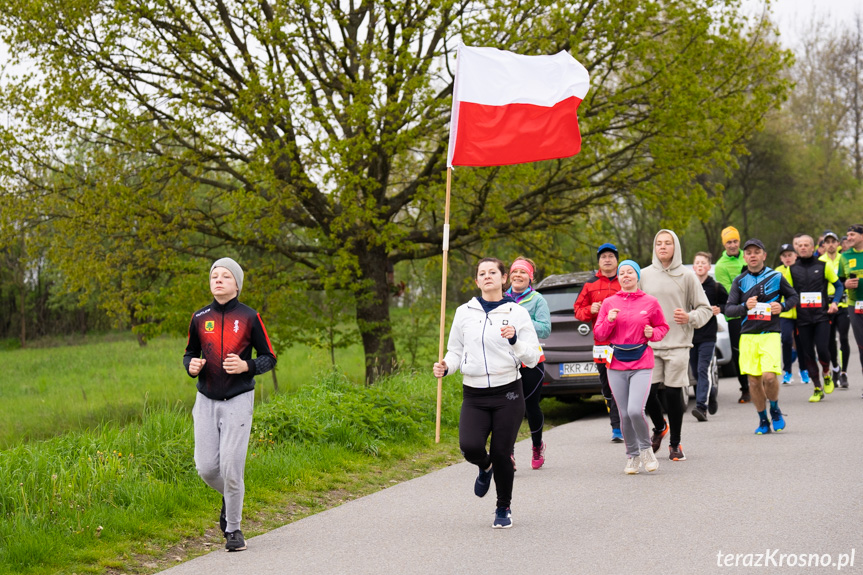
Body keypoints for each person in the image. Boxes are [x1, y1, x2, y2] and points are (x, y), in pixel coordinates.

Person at [433, 258, 541, 529]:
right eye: (482, 273)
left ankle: (503, 507)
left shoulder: (516, 312)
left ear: (504, 278)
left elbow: (532, 356)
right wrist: (447, 367)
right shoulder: (463, 312)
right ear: (476, 281)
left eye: (493, 272)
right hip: (475, 393)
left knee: (502, 452)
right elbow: (455, 351)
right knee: (470, 447)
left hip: (508, 393)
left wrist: (515, 339)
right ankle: (485, 467)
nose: (487, 276)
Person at [183, 258, 277, 552]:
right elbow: (189, 354)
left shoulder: (250, 317)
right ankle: (231, 496)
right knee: (207, 469)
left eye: (225, 276)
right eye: (214, 275)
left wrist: (245, 366)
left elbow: (269, 357)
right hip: (206, 401)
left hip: (238, 400)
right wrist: (192, 366)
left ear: (236, 284)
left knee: (232, 468)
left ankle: (233, 530)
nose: (218, 279)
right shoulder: (199, 317)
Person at [640, 229, 712, 462]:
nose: (662, 247)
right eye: (659, 243)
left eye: (667, 243)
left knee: (672, 394)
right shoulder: (644, 275)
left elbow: (706, 309)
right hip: (650, 345)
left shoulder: (687, 276)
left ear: (675, 247)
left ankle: (675, 443)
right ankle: (660, 427)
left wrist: (689, 317)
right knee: (647, 392)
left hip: (679, 344)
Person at [594, 260, 669, 474]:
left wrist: (652, 334)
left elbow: (662, 327)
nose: (626, 276)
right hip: (616, 363)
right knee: (624, 414)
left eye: (630, 272)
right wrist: (608, 320)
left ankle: (646, 450)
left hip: (641, 362)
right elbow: (599, 334)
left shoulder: (650, 302)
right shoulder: (609, 302)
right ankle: (632, 455)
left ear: (637, 276)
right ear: (618, 278)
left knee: (636, 410)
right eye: (622, 273)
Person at [725, 239, 798, 434]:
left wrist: (782, 306)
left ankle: (774, 409)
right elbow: (729, 309)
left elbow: (793, 297)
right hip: (748, 336)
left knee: (769, 377)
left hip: (770, 333)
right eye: (749, 253)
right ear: (745, 257)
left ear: (764, 255)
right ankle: (762, 419)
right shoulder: (739, 281)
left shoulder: (776, 276)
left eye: (757, 252)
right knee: (754, 381)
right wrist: (744, 307)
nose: (753, 255)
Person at [573, 243, 623, 442]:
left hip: (625, 342)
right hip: (602, 344)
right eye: (604, 257)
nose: (608, 260)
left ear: (617, 260)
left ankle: (628, 423)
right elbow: (577, 310)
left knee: (625, 384)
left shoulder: (626, 279)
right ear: (599, 261)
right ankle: (616, 428)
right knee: (608, 386)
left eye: (611, 256)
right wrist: (590, 310)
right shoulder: (590, 284)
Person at [505, 256, 551, 470]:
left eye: (523, 272)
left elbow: (545, 329)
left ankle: (536, 445)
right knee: (509, 408)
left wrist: (521, 321)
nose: (518, 275)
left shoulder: (537, 300)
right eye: (515, 272)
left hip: (531, 362)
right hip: (506, 362)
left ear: (530, 277)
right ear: (509, 276)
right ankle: (509, 453)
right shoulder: (500, 298)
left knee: (530, 407)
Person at [790, 234, 843, 403]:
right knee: (807, 354)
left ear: (813, 248)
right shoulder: (792, 269)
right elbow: (786, 291)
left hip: (821, 316)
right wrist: (788, 304)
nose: (803, 247)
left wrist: (835, 302)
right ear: (797, 248)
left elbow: (839, 285)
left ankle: (826, 373)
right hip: (802, 318)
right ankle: (817, 387)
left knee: (822, 349)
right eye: (800, 245)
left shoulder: (823, 266)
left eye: (806, 245)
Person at [714, 226, 751, 403]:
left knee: (755, 349)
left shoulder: (748, 255)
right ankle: (745, 388)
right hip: (736, 314)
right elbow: (729, 291)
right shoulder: (721, 265)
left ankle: (758, 384)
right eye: (729, 242)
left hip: (755, 311)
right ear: (724, 244)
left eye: (735, 241)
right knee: (739, 352)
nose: (733, 245)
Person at [690, 252, 727, 421]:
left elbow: (729, 305)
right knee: (696, 373)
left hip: (708, 335)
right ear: (693, 266)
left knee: (702, 370)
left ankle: (701, 407)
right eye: (697, 263)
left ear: (708, 266)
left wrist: (720, 308)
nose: (699, 265)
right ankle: (710, 393)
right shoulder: (689, 286)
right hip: (691, 335)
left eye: (703, 263)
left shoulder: (716, 287)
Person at [820, 231, 851, 388]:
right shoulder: (819, 261)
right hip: (827, 306)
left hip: (843, 305)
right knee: (829, 340)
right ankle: (835, 368)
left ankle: (844, 372)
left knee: (844, 338)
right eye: (828, 241)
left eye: (834, 241)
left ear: (838, 244)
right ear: (823, 245)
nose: (831, 244)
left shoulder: (844, 258)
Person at [838, 224, 863, 397]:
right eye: (847, 235)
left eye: (852, 234)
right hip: (855, 306)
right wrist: (845, 284)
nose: (848, 238)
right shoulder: (845, 256)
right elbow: (838, 283)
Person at [775, 244, 802, 384]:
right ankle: (787, 371)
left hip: (801, 311)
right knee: (785, 339)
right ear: (781, 258)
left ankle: (804, 369)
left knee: (801, 341)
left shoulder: (801, 269)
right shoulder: (777, 272)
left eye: (790, 255)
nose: (787, 258)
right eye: (784, 256)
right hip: (785, 312)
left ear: (795, 256)